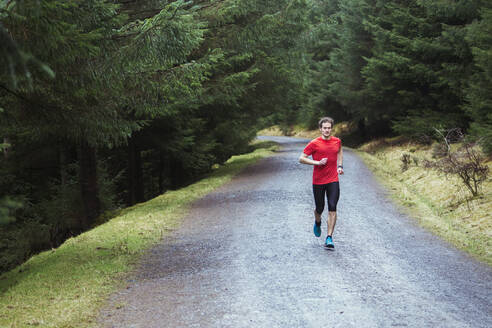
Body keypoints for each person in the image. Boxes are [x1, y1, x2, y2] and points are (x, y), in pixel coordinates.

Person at [299, 117, 343, 249]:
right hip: (318, 181)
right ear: (320, 129)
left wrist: (340, 166)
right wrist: (317, 162)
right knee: (320, 208)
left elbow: (339, 151)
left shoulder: (337, 141)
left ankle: (329, 237)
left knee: (332, 206)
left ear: (331, 128)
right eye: (324, 128)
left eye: (329, 128)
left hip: (333, 179)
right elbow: (301, 158)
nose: (327, 130)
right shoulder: (314, 143)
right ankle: (317, 222)